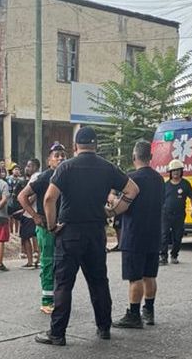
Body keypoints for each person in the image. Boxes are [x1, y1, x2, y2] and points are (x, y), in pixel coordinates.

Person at [35, 127, 140, 346]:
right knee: (99, 281)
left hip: (69, 231)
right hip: (95, 231)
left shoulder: (65, 167)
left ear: (75, 146)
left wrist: (52, 225)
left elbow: (48, 199)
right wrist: (113, 211)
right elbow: (132, 190)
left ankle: (57, 334)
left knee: (63, 284)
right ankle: (104, 327)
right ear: (96, 146)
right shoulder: (107, 167)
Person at [112, 140, 165, 329]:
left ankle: (134, 314)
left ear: (134, 157)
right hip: (154, 234)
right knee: (150, 275)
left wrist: (112, 199)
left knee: (135, 277)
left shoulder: (131, 178)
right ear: (150, 157)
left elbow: (122, 204)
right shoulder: (159, 179)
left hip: (134, 234)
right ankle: (149, 311)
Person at [19, 145, 67, 313]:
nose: (60, 158)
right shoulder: (44, 177)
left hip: (63, 227)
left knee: (61, 264)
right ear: (49, 160)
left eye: (62, 155)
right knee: (48, 262)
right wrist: (35, 216)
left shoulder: (68, 176)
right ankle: (47, 301)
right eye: (56, 155)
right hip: (46, 228)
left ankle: (59, 298)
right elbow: (22, 196)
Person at [160, 160, 192, 265]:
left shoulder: (185, 184)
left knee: (177, 236)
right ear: (170, 172)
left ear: (181, 171)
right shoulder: (165, 185)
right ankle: (163, 257)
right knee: (164, 235)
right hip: (166, 214)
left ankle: (174, 255)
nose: (175, 173)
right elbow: (160, 199)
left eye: (178, 170)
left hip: (179, 215)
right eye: (173, 171)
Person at [16, 159, 40, 268]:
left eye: (29, 166)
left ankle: (34, 260)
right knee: (32, 236)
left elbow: (33, 195)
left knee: (28, 236)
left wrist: (25, 206)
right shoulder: (36, 177)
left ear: (35, 167)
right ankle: (34, 260)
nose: (27, 168)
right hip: (31, 212)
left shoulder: (35, 177)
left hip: (30, 213)